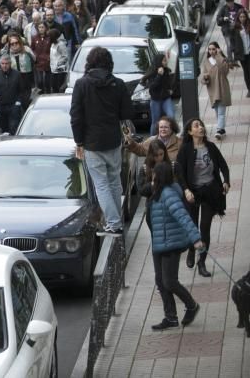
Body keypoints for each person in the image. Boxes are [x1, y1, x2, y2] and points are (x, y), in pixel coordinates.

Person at [69, 45, 133, 235]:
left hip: (92, 142)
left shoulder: (81, 85)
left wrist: (79, 142)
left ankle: (114, 223)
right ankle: (116, 220)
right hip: (113, 139)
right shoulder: (118, 84)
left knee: (101, 184)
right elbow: (127, 112)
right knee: (114, 180)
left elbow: (76, 116)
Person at [147, 161, 204, 330]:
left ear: (160, 176)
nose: (152, 176)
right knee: (160, 281)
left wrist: (196, 238)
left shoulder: (168, 194)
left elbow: (183, 217)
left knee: (169, 281)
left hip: (171, 244)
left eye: (154, 174)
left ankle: (191, 305)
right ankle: (170, 318)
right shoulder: (157, 192)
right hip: (159, 244)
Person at [175, 118, 230, 278]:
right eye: (196, 126)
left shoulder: (211, 147)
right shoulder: (185, 150)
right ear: (190, 132)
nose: (201, 128)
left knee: (205, 227)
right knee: (192, 226)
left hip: (210, 192)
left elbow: (223, 166)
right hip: (193, 193)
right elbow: (179, 172)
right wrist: (185, 190)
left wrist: (226, 181)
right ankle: (191, 249)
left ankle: (202, 262)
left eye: (201, 125)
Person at [201, 41, 232, 139]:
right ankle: (222, 130)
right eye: (209, 49)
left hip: (222, 88)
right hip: (213, 90)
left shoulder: (222, 59)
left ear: (217, 49)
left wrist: (219, 55)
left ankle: (219, 129)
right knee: (217, 112)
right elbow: (202, 78)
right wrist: (205, 77)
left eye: (213, 49)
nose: (211, 51)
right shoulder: (206, 61)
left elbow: (224, 71)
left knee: (221, 112)